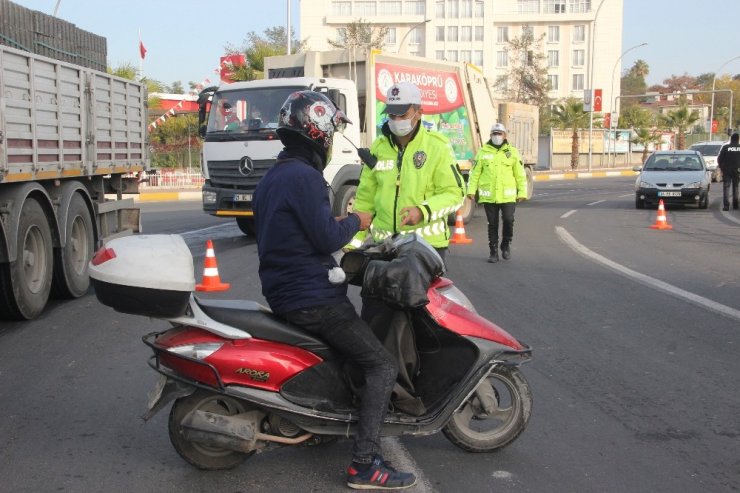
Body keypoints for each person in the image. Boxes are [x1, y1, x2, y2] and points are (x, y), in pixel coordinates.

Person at [252, 90, 416, 490]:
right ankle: (365, 464)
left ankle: (326, 423)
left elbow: (299, 232)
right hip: (312, 296)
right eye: (329, 135)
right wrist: (356, 221)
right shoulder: (305, 177)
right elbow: (326, 237)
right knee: (380, 365)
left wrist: (336, 223)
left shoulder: (274, 177)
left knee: (349, 355)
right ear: (318, 134)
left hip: (285, 289)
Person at [350, 81, 466, 258]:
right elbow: (365, 198)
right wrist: (353, 242)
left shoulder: (437, 147)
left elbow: (455, 194)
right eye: (392, 115)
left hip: (425, 248)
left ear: (419, 112)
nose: (396, 120)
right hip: (384, 246)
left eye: (402, 115)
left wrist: (422, 211)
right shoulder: (378, 148)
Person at [467, 122, 528, 263]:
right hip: (489, 196)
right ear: (490, 135)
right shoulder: (483, 152)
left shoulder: (512, 152)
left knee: (508, 220)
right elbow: (475, 173)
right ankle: (493, 252)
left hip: (508, 195)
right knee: (492, 224)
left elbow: (520, 174)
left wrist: (522, 192)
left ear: (505, 135)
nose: (496, 136)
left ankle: (506, 243)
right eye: (494, 133)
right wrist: (471, 190)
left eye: (499, 133)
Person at [717, 132, 740, 211]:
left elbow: (719, 159)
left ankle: (726, 206)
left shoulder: (726, 147)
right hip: (737, 170)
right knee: (736, 187)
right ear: (738, 139)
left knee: (726, 188)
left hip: (727, 170)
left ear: (731, 139)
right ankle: (735, 205)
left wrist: (722, 167)